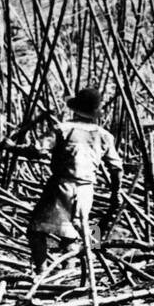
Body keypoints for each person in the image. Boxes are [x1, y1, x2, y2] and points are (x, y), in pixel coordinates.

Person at [25, 87, 123, 275]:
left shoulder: (63, 129)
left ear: (75, 108)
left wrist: (11, 147)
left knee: (35, 230)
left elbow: (37, 150)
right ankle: (68, 272)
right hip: (87, 189)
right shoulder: (104, 135)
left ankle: (41, 271)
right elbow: (117, 168)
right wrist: (115, 193)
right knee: (76, 232)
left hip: (62, 186)